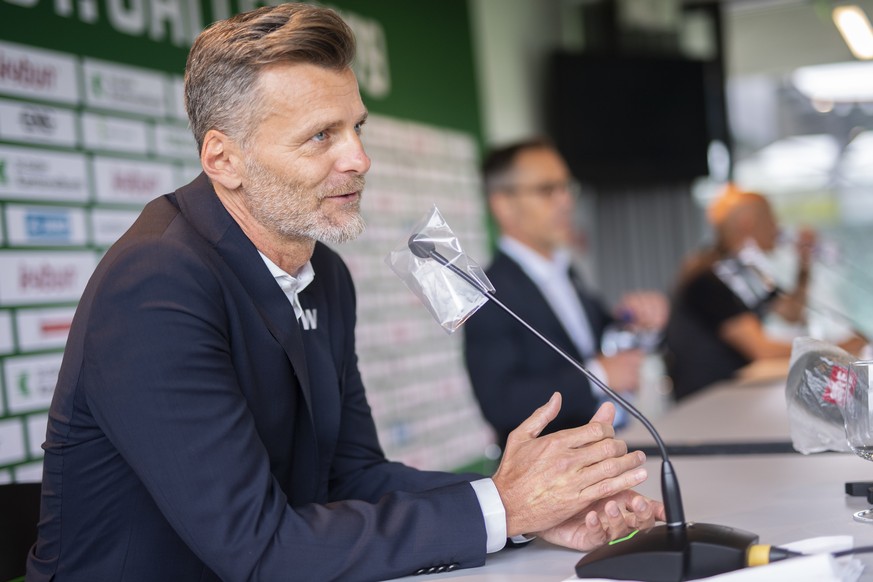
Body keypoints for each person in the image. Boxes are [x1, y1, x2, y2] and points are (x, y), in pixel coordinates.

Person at [26, 5, 665, 581]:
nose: (358, 158)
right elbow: (255, 547)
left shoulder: (326, 274)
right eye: (320, 136)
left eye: (356, 127)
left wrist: (528, 510)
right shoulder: (156, 282)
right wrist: (501, 506)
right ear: (223, 160)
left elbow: (350, 476)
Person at [463, 138, 668, 450]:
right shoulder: (487, 292)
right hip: (554, 477)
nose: (565, 201)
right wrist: (598, 374)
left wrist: (639, 324)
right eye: (547, 190)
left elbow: (602, 338)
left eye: (566, 187)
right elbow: (501, 404)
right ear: (503, 205)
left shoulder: (567, 272)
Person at [664, 185, 862, 400]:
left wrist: (804, 266)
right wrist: (838, 348)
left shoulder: (745, 271)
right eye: (770, 219)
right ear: (747, 223)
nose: (776, 228)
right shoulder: (710, 276)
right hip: (708, 402)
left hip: (733, 396)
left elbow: (791, 312)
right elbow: (761, 349)